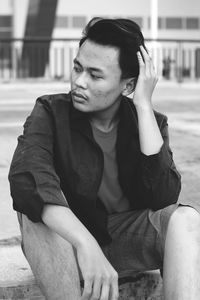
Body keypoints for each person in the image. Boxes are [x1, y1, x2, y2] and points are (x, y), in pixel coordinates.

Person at [8, 18, 200, 300]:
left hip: (126, 240)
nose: (79, 82)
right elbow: (27, 181)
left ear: (127, 85)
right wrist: (86, 243)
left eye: (95, 75)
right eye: (77, 68)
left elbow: (163, 197)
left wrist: (144, 106)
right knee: (34, 213)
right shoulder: (50, 112)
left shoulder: (149, 123)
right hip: (67, 246)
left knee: (186, 218)